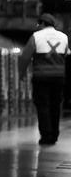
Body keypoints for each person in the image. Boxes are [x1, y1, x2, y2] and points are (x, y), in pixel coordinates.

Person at [18, 13, 70, 145]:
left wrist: (22, 73)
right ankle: (54, 135)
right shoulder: (64, 37)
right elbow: (67, 55)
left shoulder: (36, 36)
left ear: (42, 23)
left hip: (41, 77)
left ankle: (46, 136)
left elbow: (25, 57)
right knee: (55, 106)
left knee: (43, 106)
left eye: (38, 24)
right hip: (58, 78)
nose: (38, 27)